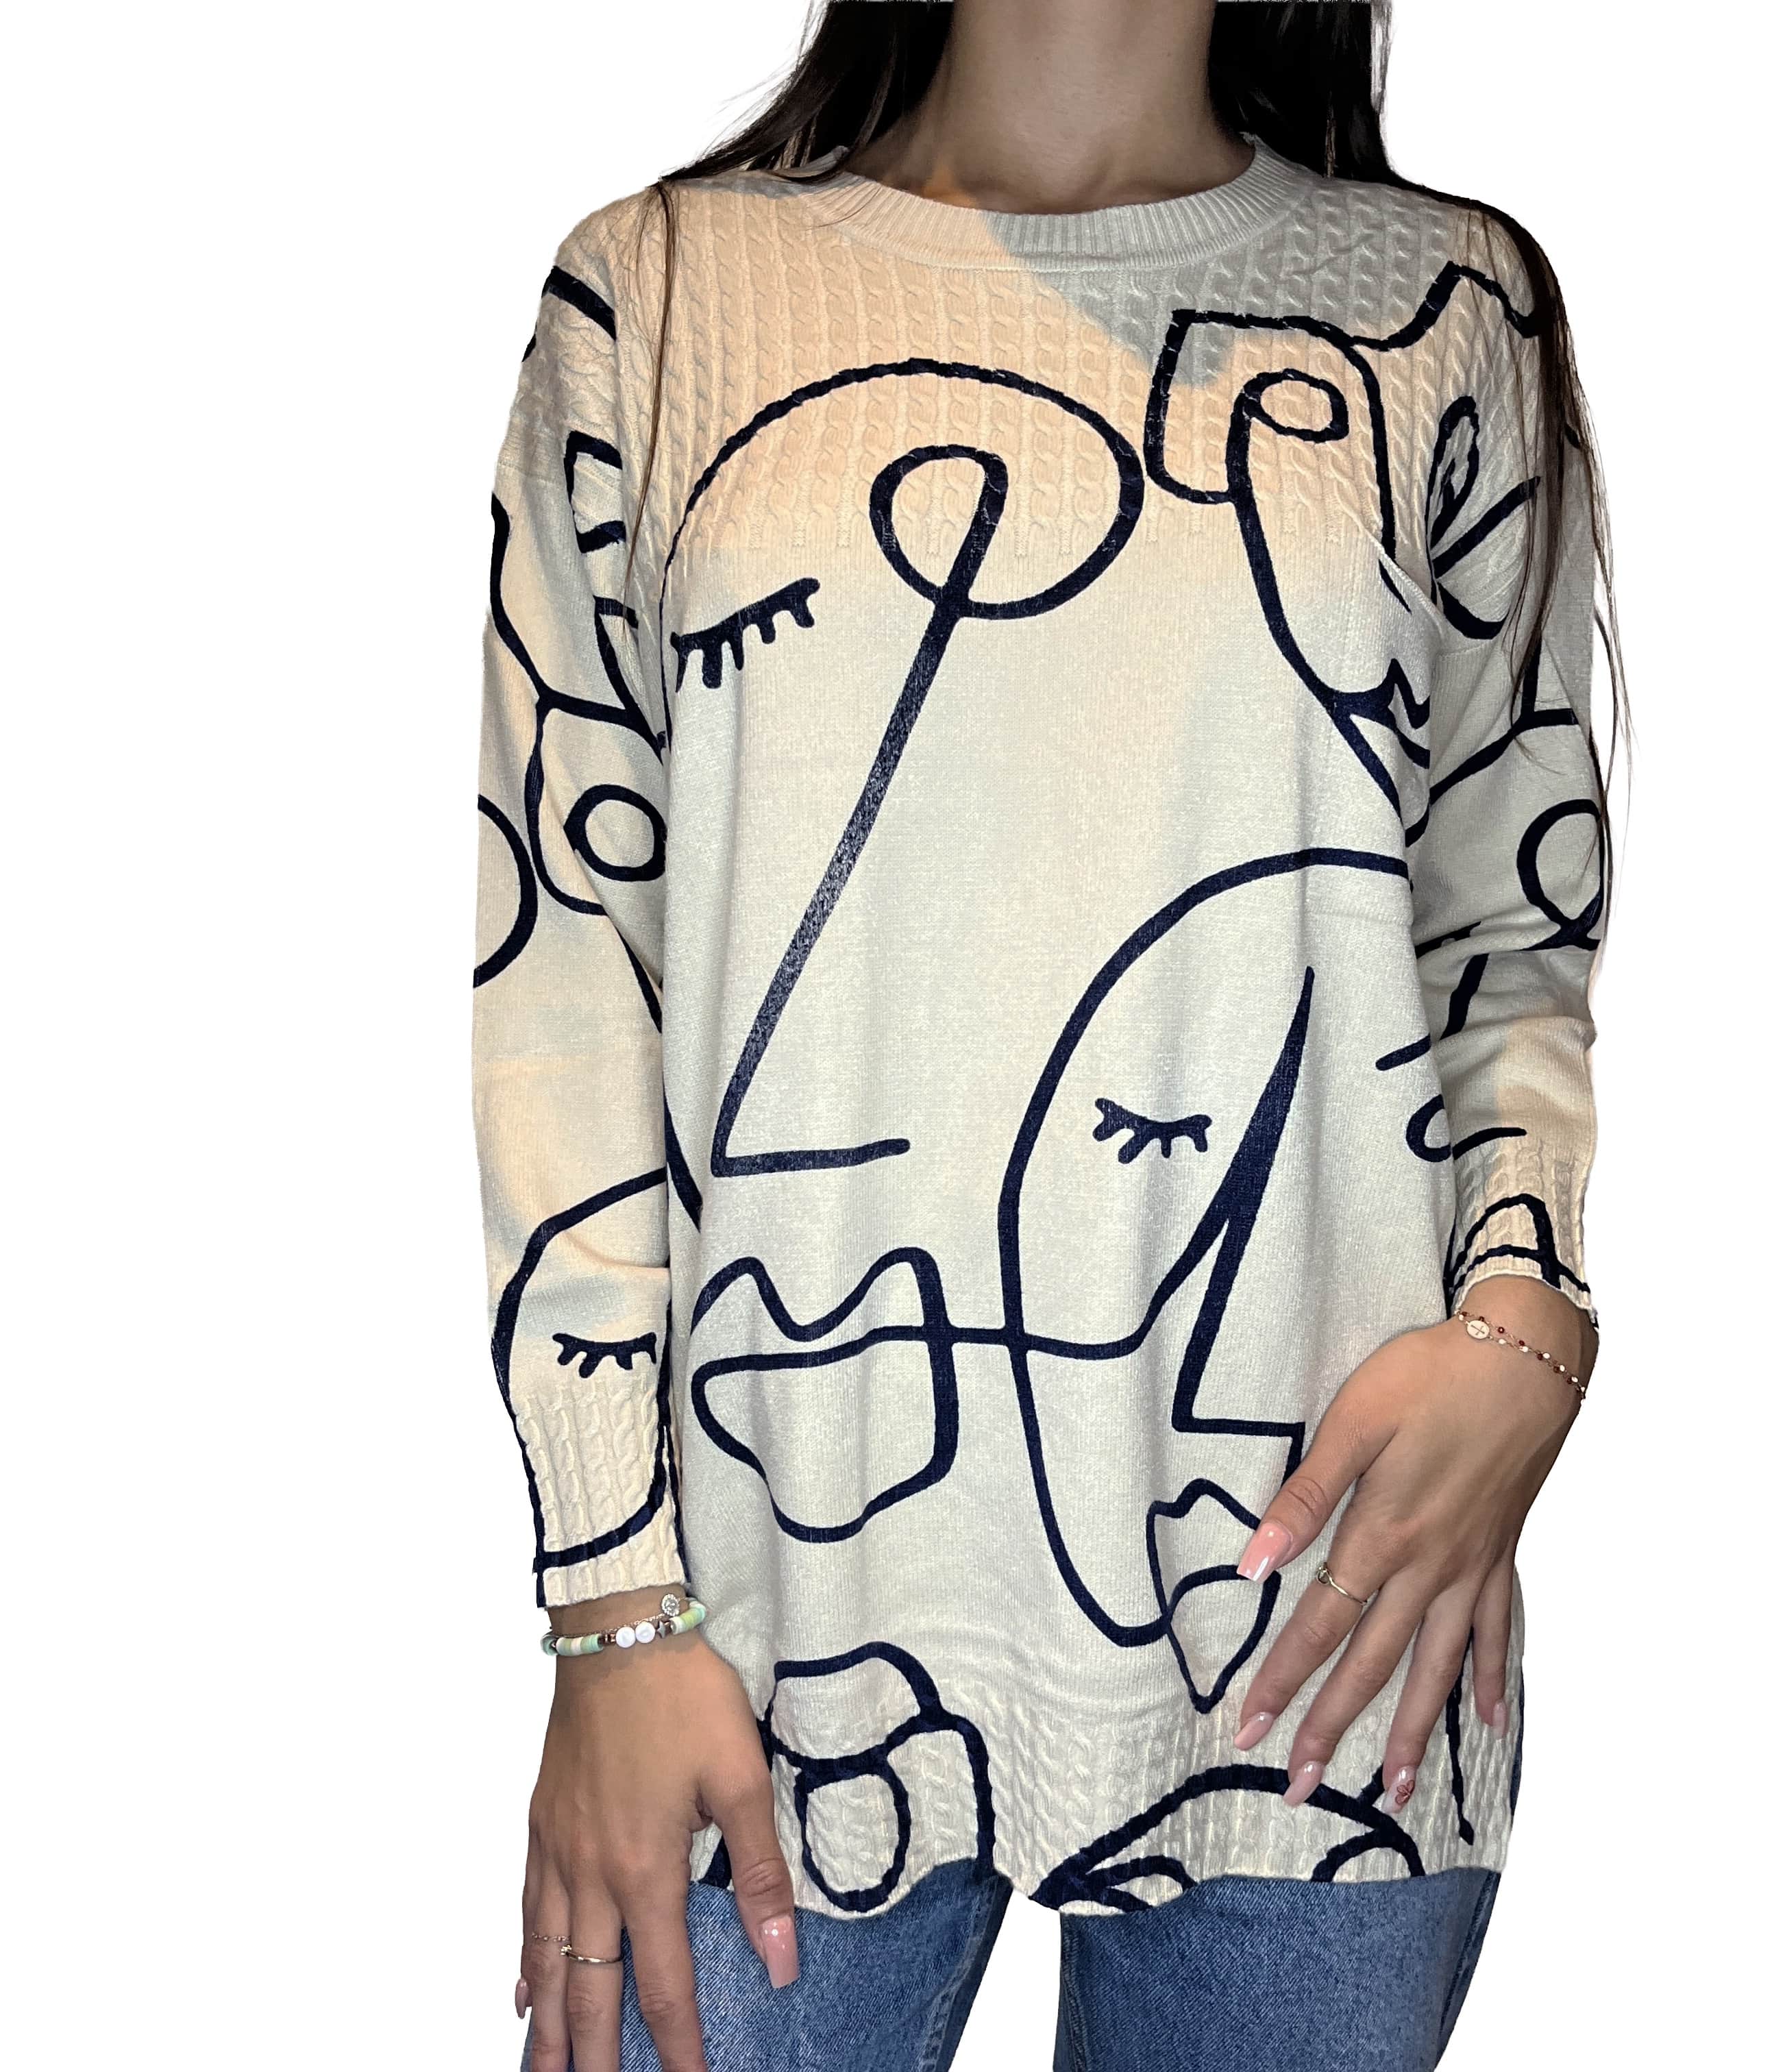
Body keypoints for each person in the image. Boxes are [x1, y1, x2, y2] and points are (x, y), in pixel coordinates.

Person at [473, 2, 1624, 2065]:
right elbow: (567, 970)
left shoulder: (1449, 310)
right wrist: (609, 1594)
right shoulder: (657, 297)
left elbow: (1506, 934)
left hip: (1331, 1637)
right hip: (763, 1643)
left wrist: (1529, 1327)